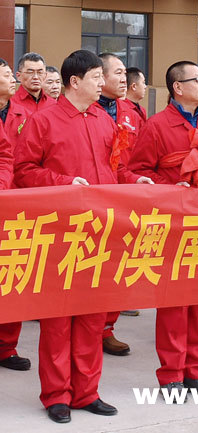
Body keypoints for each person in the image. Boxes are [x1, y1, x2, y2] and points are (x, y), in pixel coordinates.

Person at [14, 49, 119, 423]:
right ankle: (57, 395)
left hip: (101, 232)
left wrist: (135, 182)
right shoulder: (43, 121)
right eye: (96, 77)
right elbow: (24, 171)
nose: (103, 83)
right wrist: (63, 183)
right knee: (58, 320)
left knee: (92, 317)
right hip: (60, 234)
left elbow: (114, 168)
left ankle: (87, 392)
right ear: (75, 81)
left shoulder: (104, 120)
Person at [129, 60, 198, 398]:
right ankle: (171, 375)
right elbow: (139, 171)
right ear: (177, 87)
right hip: (174, 224)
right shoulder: (157, 125)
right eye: (197, 80)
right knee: (174, 304)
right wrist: (172, 188)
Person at [96, 53, 152, 357]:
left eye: (123, 73)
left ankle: (107, 328)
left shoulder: (129, 111)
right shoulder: (87, 110)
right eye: (117, 73)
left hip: (126, 196)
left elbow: (139, 155)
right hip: (95, 200)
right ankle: (90, 328)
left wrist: (137, 179)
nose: (123, 79)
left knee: (117, 266)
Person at [0, 58, 31, 372]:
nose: (13, 79)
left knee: (12, 274)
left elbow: (6, 156)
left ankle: (6, 346)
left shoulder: (26, 113)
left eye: (12, 74)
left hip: (17, 206)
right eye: (6, 74)